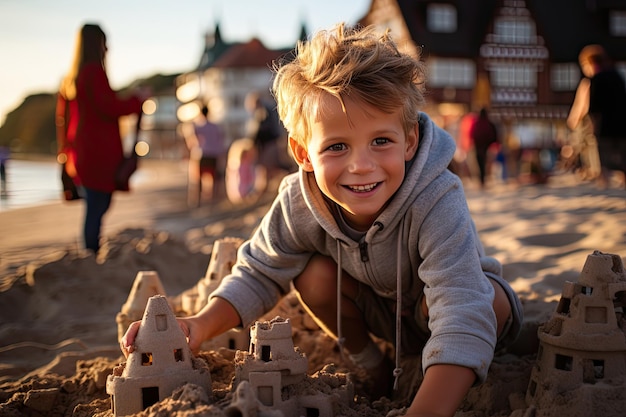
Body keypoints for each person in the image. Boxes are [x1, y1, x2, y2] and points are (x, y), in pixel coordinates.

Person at [122, 23, 523, 417]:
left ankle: (438, 372)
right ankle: (373, 365)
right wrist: (201, 324)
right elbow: (259, 271)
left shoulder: (436, 196)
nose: (361, 166)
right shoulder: (299, 200)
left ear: (410, 141)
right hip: (382, 318)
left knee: (492, 298)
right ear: (303, 154)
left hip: (449, 310)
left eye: (381, 141)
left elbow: (461, 306)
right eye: (336, 147)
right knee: (312, 275)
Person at [56, 23, 145, 254]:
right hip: (97, 152)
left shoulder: (72, 78)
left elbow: (63, 118)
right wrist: (137, 99)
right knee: (97, 204)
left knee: (95, 203)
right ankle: (90, 251)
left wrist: (65, 149)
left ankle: (90, 250)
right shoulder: (93, 72)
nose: (108, 48)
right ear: (97, 44)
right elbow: (109, 106)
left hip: (82, 150)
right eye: (105, 42)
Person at [571, 44, 626, 188]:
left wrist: (588, 124)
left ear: (589, 63)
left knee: (602, 155)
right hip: (622, 124)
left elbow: (592, 107)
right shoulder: (617, 77)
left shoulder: (594, 80)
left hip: (604, 126)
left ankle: (603, 180)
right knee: (621, 153)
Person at [183, 104, 228, 207]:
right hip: (214, 154)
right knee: (214, 178)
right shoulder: (215, 126)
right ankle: (212, 200)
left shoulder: (198, 126)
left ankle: (197, 201)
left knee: (198, 178)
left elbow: (191, 140)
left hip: (202, 154)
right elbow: (221, 140)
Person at [469, 108, 499, 188]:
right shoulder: (489, 124)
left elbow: (472, 135)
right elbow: (494, 136)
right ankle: (483, 180)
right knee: (485, 164)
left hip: (478, 148)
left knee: (480, 164)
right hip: (487, 147)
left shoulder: (476, 124)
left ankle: (482, 180)